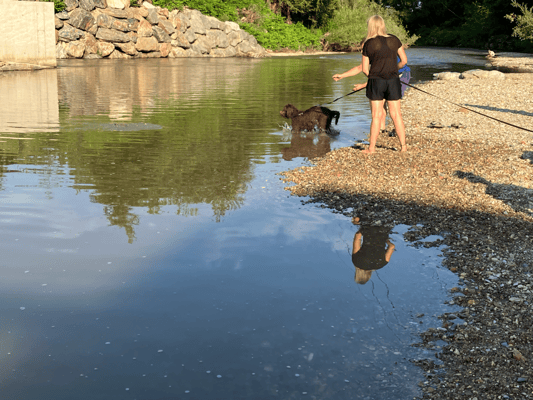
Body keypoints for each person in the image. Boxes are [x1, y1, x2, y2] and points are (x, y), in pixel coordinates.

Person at [361, 15, 408, 153]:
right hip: (393, 80)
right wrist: (393, 69)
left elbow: (364, 69)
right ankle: (403, 147)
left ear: (370, 26)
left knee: (376, 115)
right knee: (396, 114)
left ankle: (371, 148)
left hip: (376, 81)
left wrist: (374, 76)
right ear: (382, 25)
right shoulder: (394, 40)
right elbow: (404, 61)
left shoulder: (368, 43)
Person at [351, 218, 395, 285]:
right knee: (355, 221)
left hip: (384, 228)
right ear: (356, 274)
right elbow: (358, 236)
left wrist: (386, 240)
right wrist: (362, 228)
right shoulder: (356, 262)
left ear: (369, 276)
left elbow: (392, 246)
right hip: (368, 226)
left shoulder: (381, 264)